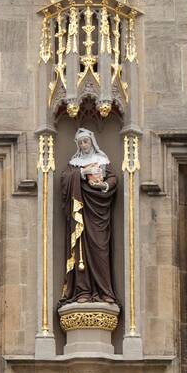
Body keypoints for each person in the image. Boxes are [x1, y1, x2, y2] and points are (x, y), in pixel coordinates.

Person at [59, 128, 119, 306]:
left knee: (101, 250)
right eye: (80, 143)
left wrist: (104, 186)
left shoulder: (102, 161)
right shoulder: (74, 164)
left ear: (91, 142)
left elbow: (113, 179)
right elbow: (64, 180)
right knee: (80, 251)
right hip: (80, 213)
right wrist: (81, 174)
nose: (84, 145)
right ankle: (82, 291)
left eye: (86, 141)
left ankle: (105, 291)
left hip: (99, 214)